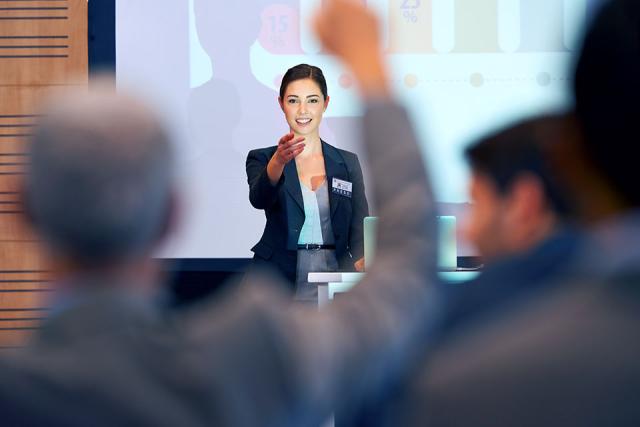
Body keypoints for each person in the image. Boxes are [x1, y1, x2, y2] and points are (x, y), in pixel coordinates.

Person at [0, 1, 440, 425]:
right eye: (293, 100)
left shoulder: (15, 391)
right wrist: (368, 64)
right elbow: (409, 267)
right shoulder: (256, 359)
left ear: (22, 208)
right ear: (173, 213)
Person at [354, 1, 640, 426]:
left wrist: (367, 72)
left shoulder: (449, 372)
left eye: (475, 205)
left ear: (524, 204)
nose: (467, 230)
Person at [246, 63, 369, 301]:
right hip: (278, 275)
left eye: (312, 100)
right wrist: (278, 161)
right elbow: (259, 198)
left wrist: (363, 258)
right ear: (281, 104)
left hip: (335, 272)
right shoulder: (263, 158)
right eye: (293, 101)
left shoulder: (347, 163)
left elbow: (359, 224)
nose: (303, 110)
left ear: (326, 103)